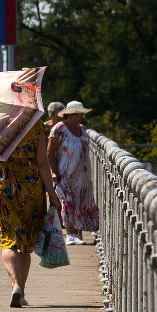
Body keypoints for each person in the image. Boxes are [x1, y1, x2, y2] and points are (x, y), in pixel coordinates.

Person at [0, 117, 60, 308]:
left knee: (8, 238)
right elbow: (42, 163)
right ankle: (22, 290)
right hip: (30, 186)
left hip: (3, 183)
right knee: (26, 239)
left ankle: (15, 285)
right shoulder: (36, 125)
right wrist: (52, 194)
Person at [48, 100, 98, 245]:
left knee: (79, 203)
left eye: (81, 114)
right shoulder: (59, 129)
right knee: (68, 201)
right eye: (78, 114)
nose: (81, 116)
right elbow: (50, 152)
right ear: (70, 114)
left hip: (81, 175)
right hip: (63, 173)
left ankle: (76, 235)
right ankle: (70, 235)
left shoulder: (82, 129)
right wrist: (53, 172)